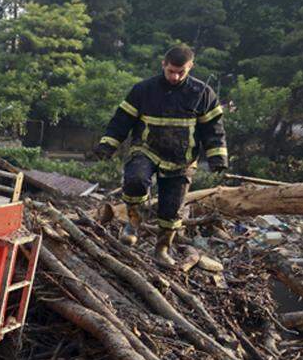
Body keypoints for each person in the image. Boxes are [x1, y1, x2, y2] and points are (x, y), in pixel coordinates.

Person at [94, 44, 228, 267]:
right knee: (135, 179)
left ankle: (162, 248)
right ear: (163, 65)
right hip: (146, 149)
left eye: (181, 72)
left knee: (172, 207)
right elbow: (121, 120)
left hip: (182, 158)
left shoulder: (203, 94)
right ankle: (133, 221)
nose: (175, 77)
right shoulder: (143, 90)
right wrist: (107, 145)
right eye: (171, 71)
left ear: (190, 67)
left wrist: (217, 158)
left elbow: (214, 129)